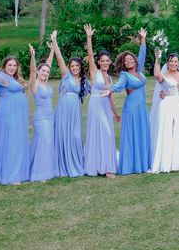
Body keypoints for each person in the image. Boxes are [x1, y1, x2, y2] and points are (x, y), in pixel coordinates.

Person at [102, 28, 151, 175]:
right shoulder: (124, 74)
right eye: (126, 60)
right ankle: (131, 165)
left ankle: (142, 163)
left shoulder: (140, 70)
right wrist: (110, 89)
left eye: (131, 59)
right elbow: (118, 85)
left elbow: (142, 53)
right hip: (131, 108)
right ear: (124, 63)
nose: (129, 61)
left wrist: (143, 38)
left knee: (142, 134)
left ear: (134, 61)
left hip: (142, 108)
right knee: (132, 136)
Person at [0, 52, 29, 185]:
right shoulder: (1, 77)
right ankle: (9, 175)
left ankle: (18, 172)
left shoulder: (14, 79)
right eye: (10, 65)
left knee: (17, 142)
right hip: (8, 113)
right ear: (4, 66)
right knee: (10, 142)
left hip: (18, 115)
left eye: (14, 65)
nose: (12, 67)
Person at [150, 50, 179, 173]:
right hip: (168, 105)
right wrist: (157, 59)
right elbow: (156, 74)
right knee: (169, 133)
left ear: (178, 63)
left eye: (176, 61)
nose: (173, 64)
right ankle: (169, 163)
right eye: (171, 61)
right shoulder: (163, 75)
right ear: (168, 63)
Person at [51, 30, 89, 178]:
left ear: (80, 67)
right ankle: (63, 164)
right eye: (72, 66)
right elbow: (59, 57)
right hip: (63, 108)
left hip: (75, 110)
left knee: (75, 136)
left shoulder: (84, 81)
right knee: (62, 135)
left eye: (76, 66)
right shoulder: (66, 75)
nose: (74, 68)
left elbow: (97, 91)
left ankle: (76, 163)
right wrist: (54, 40)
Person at [84, 24, 119, 178]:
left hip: (105, 106)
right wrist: (89, 37)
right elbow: (90, 55)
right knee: (102, 133)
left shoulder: (110, 78)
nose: (105, 62)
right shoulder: (94, 72)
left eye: (107, 60)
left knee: (107, 134)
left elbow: (110, 97)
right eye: (102, 60)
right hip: (95, 104)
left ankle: (104, 165)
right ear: (98, 62)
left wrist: (115, 113)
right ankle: (105, 168)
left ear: (110, 62)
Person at [29, 43, 57, 182]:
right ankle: (39, 173)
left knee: (44, 144)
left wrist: (52, 51)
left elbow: (48, 65)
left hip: (50, 118)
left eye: (47, 72)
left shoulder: (45, 83)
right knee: (44, 142)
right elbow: (33, 71)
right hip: (40, 119)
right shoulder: (35, 84)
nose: (45, 73)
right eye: (43, 71)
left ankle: (44, 168)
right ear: (38, 72)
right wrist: (33, 56)